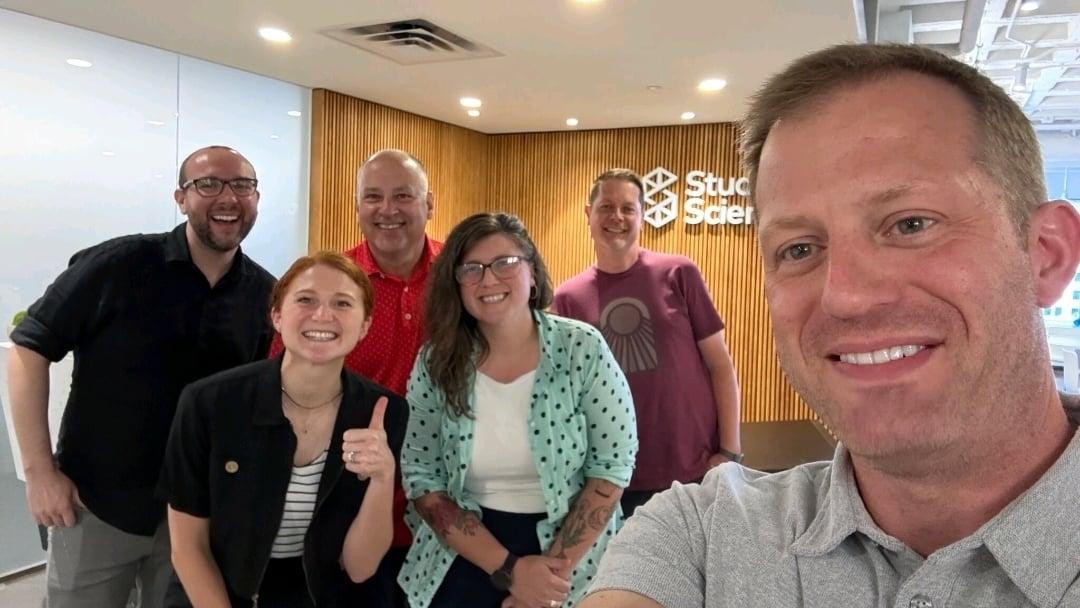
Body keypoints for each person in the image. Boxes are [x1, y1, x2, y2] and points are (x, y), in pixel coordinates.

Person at [581, 43, 1080, 608]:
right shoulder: (700, 538)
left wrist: (728, 447)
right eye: (799, 249)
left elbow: (716, 362)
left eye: (910, 224)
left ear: (1047, 254)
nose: (844, 296)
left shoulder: (677, 273)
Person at [7, 146, 275, 607]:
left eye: (242, 186)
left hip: (195, 514)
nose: (227, 197)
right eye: (208, 184)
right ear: (180, 197)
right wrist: (39, 473)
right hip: (96, 505)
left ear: (256, 198)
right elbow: (28, 350)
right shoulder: (118, 265)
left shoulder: (264, 293)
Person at [398, 212, 638, 608]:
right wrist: (511, 571)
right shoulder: (435, 362)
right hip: (468, 546)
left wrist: (546, 579)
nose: (489, 279)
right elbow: (422, 476)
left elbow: (611, 467)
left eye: (505, 263)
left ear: (532, 272)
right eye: (471, 269)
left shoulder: (582, 348)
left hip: (573, 554)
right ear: (456, 285)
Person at [160, 251, 408, 607]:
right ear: (277, 315)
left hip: (310, 593)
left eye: (342, 303)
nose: (323, 315)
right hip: (213, 590)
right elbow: (187, 548)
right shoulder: (208, 403)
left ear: (365, 325)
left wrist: (383, 478)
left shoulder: (383, 413)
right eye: (306, 300)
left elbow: (359, 568)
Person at [268, 148, 441, 605]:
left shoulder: (460, 280)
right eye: (373, 197)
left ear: (429, 205)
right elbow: (278, 385)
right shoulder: (331, 287)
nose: (387, 210)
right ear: (358, 205)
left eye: (403, 195)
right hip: (344, 511)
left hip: (445, 509)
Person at [554, 169, 742, 516]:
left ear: (642, 214)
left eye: (628, 208)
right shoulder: (567, 299)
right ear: (588, 213)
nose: (617, 217)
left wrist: (729, 454)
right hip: (611, 479)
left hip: (694, 471)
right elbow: (567, 395)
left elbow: (720, 364)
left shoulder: (679, 273)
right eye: (606, 206)